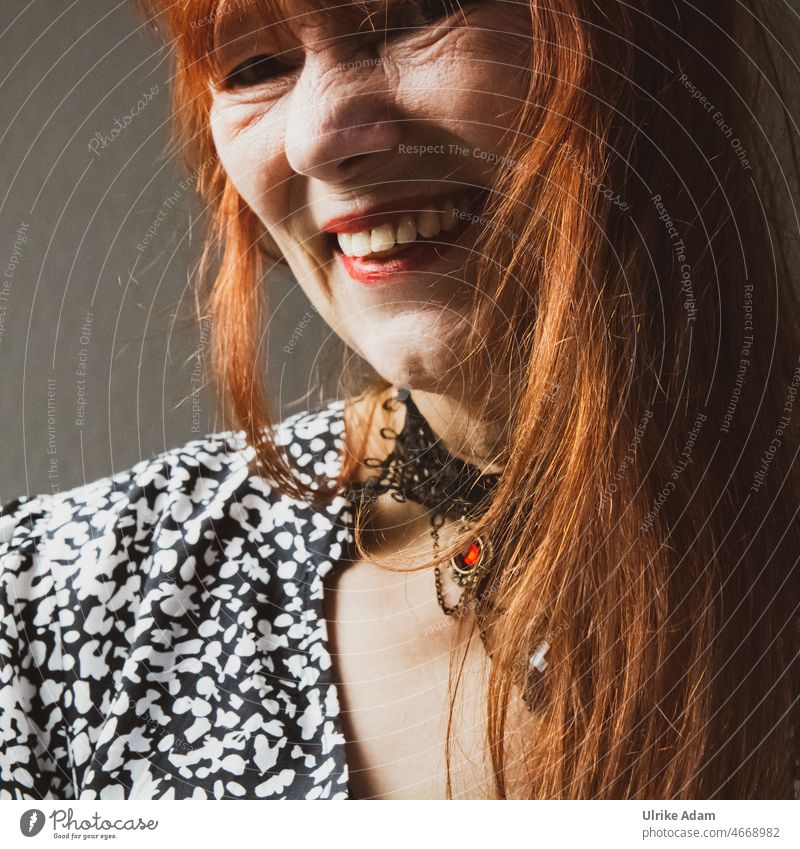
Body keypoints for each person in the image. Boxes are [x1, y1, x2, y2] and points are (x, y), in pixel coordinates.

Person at [1, 0, 799, 800]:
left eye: (412, 14)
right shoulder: (51, 612)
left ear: (658, 47)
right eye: (253, 67)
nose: (317, 136)